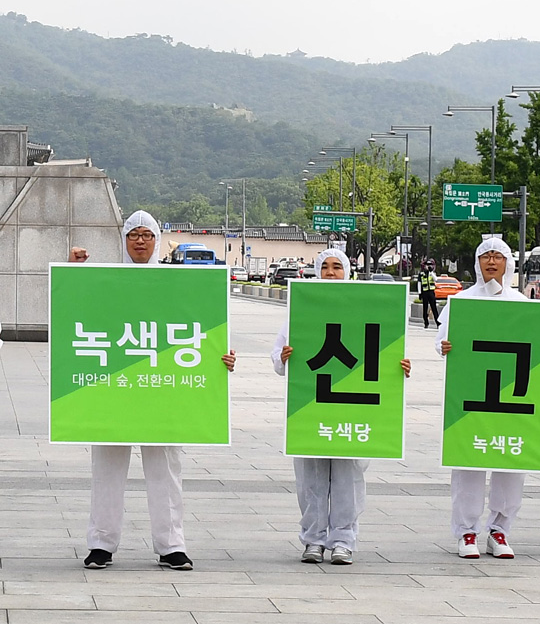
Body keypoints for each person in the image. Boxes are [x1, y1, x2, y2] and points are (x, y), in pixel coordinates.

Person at [72, 211, 237, 571]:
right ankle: (101, 544)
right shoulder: (107, 279)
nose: (141, 241)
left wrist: (219, 356)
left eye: (148, 235)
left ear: (157, 240)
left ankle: (171, 545)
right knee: (107, 468)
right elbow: (78, 313)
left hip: (163, 391)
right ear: (125, 240)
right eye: (134, 234)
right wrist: (75, 273)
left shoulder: (176, 282)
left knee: (165, 470)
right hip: (116, 388)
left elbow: (199, 327)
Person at [271, 248, 411, 565]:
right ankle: (313, 539)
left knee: (349, 476)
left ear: (348, 272)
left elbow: (384, 351)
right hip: (312, 406)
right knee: (311, 477)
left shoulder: (366, 308)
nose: (331, 273)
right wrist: (283, 357)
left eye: (337, 267)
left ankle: (343, 539)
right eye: (325, 267)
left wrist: (397, 366)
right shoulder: (301, 310)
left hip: (353, 407)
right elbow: (278, 357)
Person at [436, 237, 540, 559]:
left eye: (498, 257)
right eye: (485, 257)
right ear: (477, 263)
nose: (491, 262)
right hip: (473, 398)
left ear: (508, 263)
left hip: (512, 397)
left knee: (511, 463)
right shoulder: (461, 302)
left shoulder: (523, 304)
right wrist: (446, 346)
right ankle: (467, 532)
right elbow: (442, 342)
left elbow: (539, 344)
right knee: (469, 464)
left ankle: (500, 530)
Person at [419, 260, 439, 327]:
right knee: (425, 308)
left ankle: (438, 323)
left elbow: (436, 279)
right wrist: (419, 293)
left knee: (434, 308)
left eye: (430, 265)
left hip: (431, 292)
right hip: (424, 292)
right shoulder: (421, 274)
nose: (428, 266)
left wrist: (431, 272)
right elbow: (419, 284)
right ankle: (426, 323)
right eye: (427, 265)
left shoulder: (432, 273)